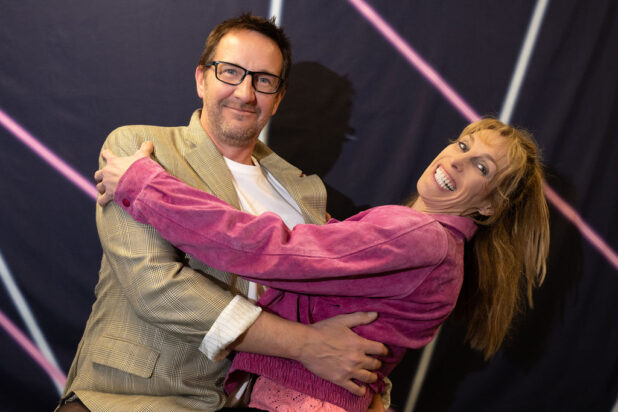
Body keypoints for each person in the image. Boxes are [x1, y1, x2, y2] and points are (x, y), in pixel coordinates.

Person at [94, 118, 551, 412]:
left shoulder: (421, 237)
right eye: (463, 144)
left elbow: (271, 251)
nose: (458, 160)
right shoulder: (433, 244)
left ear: (491, 206)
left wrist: (144, 185)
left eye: (482, 168)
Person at [57, 13, 388, 412]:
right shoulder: (142, 150)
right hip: (132, 397)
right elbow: (155, 286)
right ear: (202, 79)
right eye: (230, 72)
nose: (245, 93)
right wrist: (306, 345)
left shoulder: (301, 194)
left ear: (278, 98)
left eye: (263, 80)